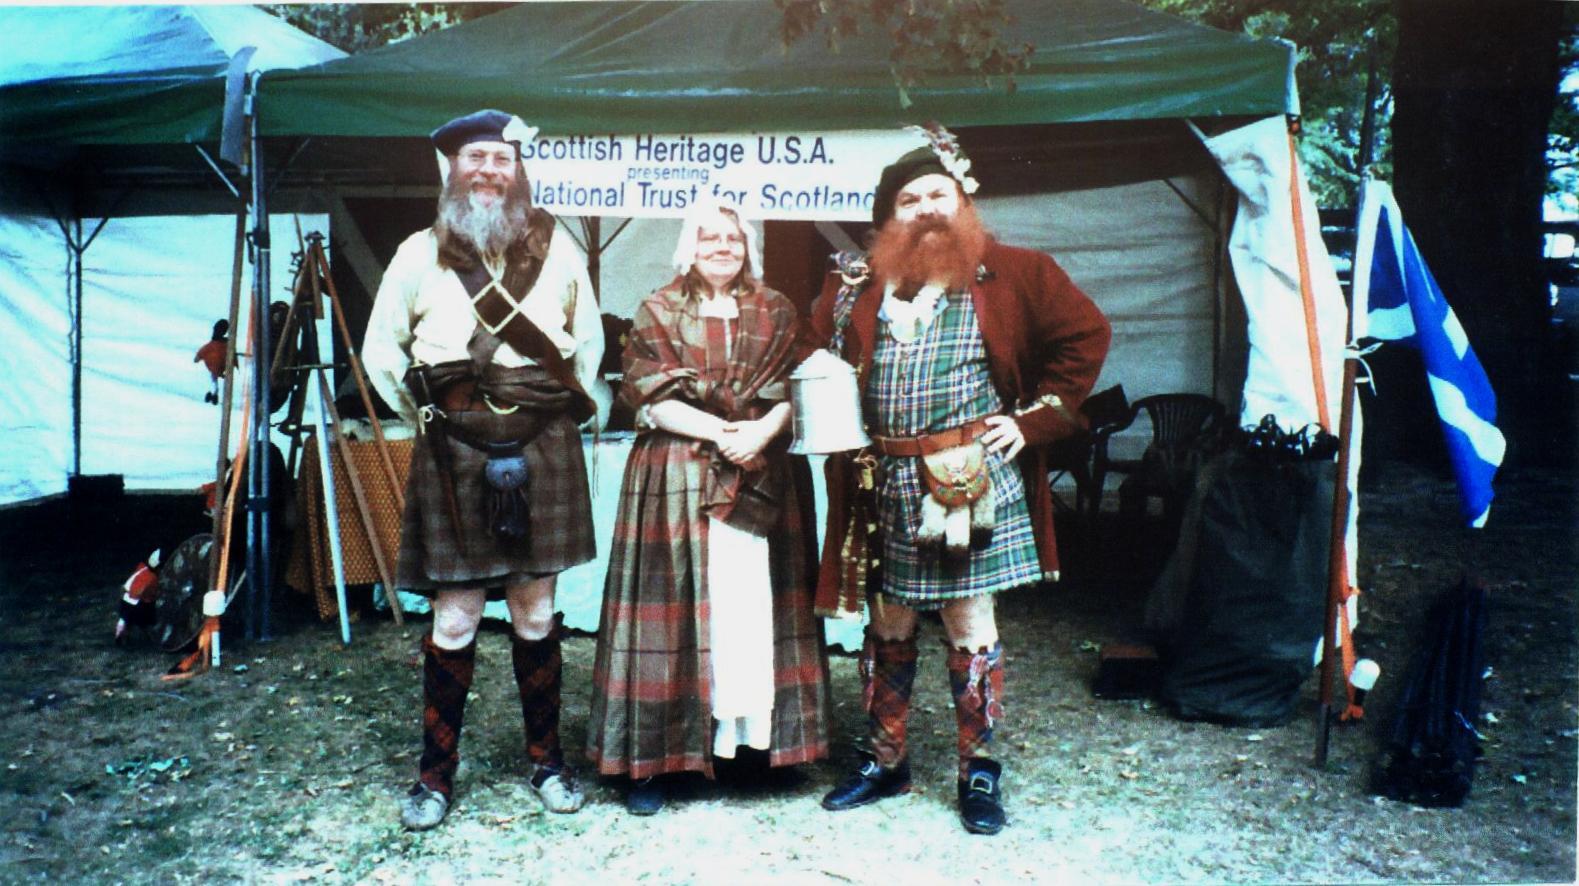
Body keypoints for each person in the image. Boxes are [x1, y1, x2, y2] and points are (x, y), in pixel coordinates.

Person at [807, 125, 1111, 835]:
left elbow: (1085, 335)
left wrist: (1033, 420)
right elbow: (815, 352)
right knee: (887, 621)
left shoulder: (1014, 270)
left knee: (968, 622)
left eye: (936, 194)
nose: (925, 209)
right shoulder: (862, 284)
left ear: (962, 200)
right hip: (878, 479)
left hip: (965, 477)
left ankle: (978, 770)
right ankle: (885, 759)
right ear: (890, 218)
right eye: (908, 200)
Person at [362, 109, 604, 830]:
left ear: (518, 171)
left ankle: (548, 762)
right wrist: (430, 425)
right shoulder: (415, 254)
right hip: (454, 446)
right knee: (457, 616)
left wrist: (560, 415)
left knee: (535, 612)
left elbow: (585, 343)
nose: (490, 171)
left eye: (502, 159)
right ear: (451, 169)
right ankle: (434, 778)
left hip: (541, 440)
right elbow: (381, 353)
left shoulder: (557, 247)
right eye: (476, 157)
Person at [586, 201, 830, 815]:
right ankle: (658, 758)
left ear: (747, 246)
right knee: (679, 612)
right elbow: (651, 395)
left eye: (732, 237)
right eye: (708, 237)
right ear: (687, 246)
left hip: (762, 468)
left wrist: (764, 430)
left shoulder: (775, 307)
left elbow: (798, 384)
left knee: (754, 607)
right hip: (680, 473)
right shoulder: (658, 308)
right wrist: (724, 434)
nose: (722, 246)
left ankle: (753, 750)